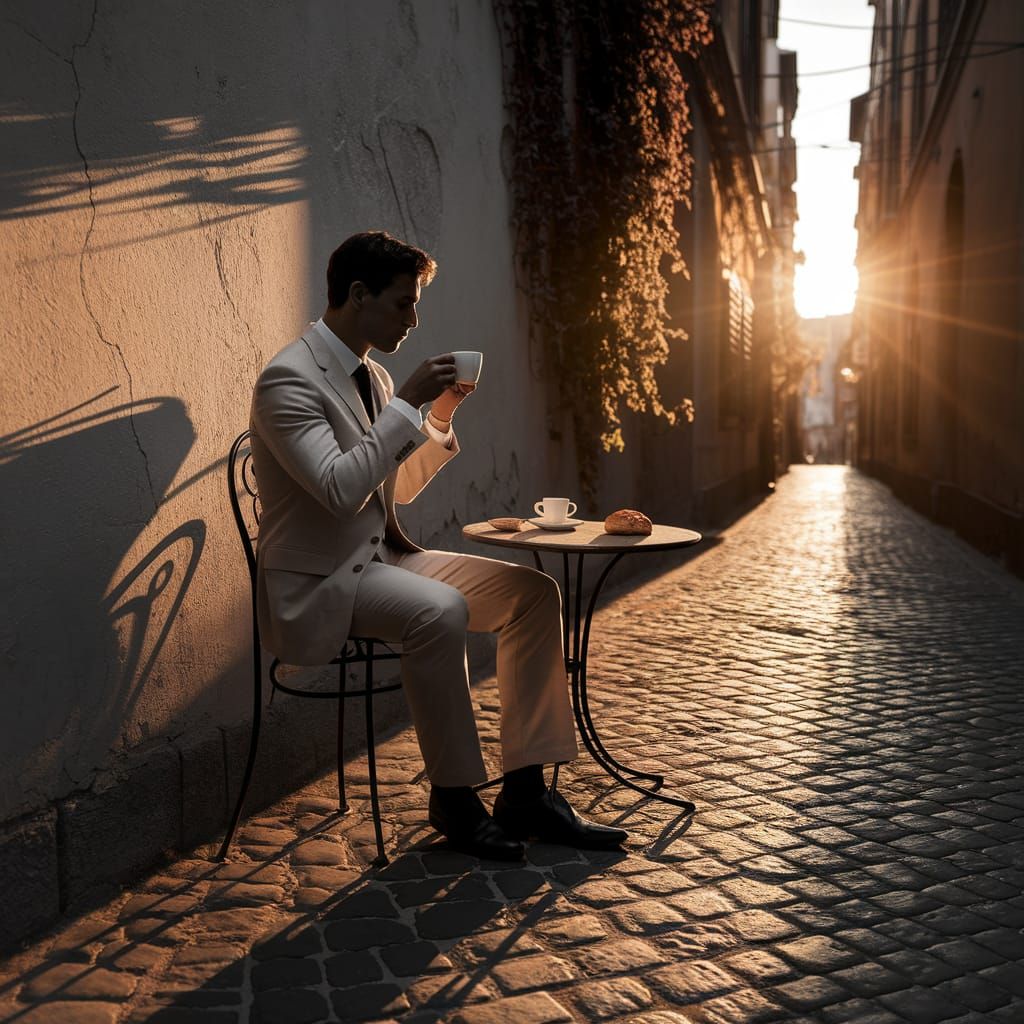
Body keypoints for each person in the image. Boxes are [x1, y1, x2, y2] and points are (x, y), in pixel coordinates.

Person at [249, 230, 627, 861]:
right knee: (439, 610)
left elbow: (388, 489)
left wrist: (441, 414)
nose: (415, 318)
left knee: (532, 593)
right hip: (323, 579)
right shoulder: (287, 381)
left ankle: (527, 793)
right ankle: (453, 798)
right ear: (359, 294)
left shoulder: (369, 372)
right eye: (404, 304)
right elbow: (341, 491)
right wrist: (405, 405)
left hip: (383, 555)